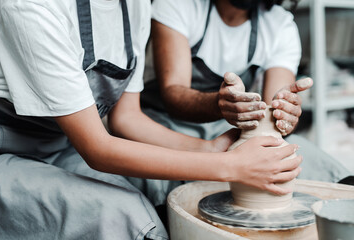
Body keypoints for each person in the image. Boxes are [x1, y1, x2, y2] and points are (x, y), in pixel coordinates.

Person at [0, 0, 302, 239]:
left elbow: (126, 119)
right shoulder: (31, 7)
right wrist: (230, 166)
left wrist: (210, 150)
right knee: (124, 216)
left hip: (61, 144)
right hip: (6, 152)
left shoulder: (134, 5)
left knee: (160, 193)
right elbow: (96, 148)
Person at [138, 0, 351, 206]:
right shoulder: (179, 4)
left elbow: (275, 116)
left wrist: (286, 112)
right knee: (162, 191)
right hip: (164, 125)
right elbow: (173, 95)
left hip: (228, 129)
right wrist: (218, 105)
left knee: (313, 165)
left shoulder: (279, 24)